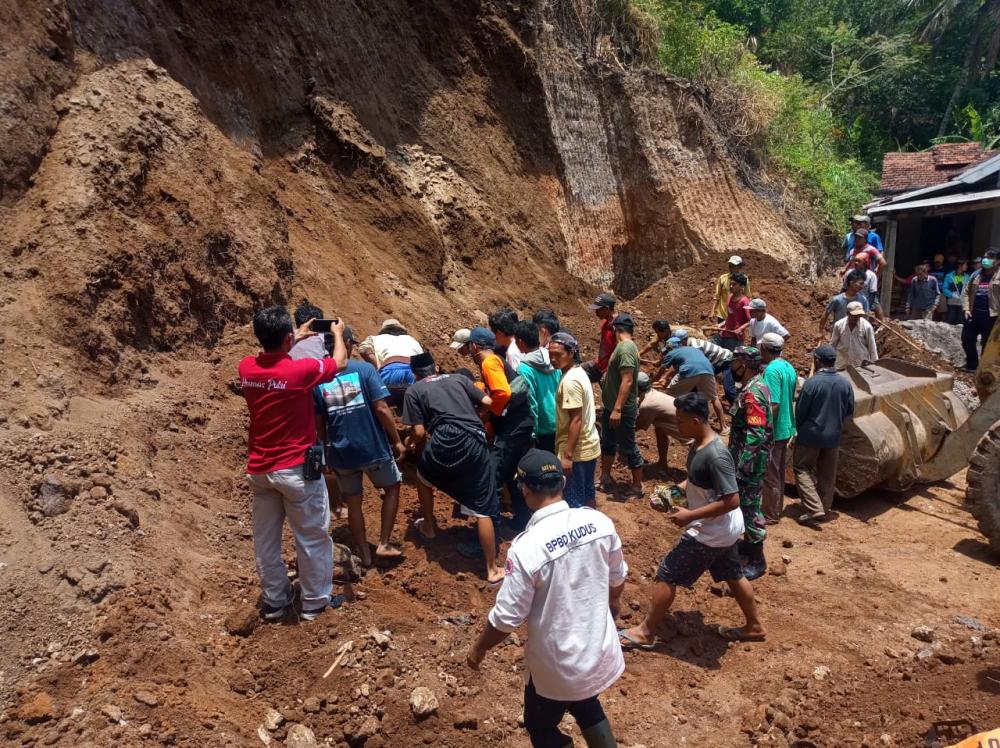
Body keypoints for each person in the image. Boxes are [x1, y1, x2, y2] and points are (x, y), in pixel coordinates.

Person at [467, 450, 626, 748]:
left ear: (524, 488)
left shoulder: (526, 548)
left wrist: (478, 650)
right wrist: (612, 605)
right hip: (597, 652)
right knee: (585, 701)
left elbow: (507, 618)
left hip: (559, 665)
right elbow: (617, 578)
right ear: (563, 481)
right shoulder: (599, 522)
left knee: (540, 727)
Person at [618, 392, 765, 649]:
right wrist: (674, 491)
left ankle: (646, 632)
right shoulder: (698, 445)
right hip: (724, 530)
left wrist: (690, 516)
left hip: (712, 531)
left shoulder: (716, 455)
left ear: (696, 421)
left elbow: (732, 500)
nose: (678, 425)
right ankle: (754, 626)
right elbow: (697, 480)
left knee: (667, 573)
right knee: (732, 573)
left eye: (681, 421)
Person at [238, 307, 349, 622]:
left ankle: (275, 600)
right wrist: (337, 334)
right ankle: (314, 602)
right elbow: (339, 362)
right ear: (287, 339)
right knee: (312, 535)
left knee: (266, 541)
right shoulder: (298, 372)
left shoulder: (246, 369)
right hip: (297, 468)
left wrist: (292, 337)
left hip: (260, 470)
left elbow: (262, 356)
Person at [402, 352, 505, 583]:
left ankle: (428, 527)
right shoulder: (457, 378)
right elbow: (489, 402)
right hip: (474, 438)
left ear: (415, 374)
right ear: (436, 367)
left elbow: (418, 432)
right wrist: (477, 416)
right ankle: (491, 569)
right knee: (483, 506)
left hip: (443, 440)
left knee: (422, 476)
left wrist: (409, 443)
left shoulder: (414, 390)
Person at [314, 326, 406, 568]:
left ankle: (364, 553)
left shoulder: (318, 379)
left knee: (353, 502)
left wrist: (325, 453)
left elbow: (319, 425)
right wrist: (396, 440)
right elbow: (382, 408)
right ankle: (384, 543)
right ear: (348, 345)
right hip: (372, 447)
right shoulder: (364, 370)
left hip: (342, 454)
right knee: (393, 486)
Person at [468, 326, 535, 533]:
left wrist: (488, 413)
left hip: (511, 428)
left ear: (473, 346)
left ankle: (491, 533)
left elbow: (503, 393)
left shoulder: (489, 362)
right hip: (522, 424)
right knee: (513, 475)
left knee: (492, 477)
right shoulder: (498, 359)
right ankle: (522, 521)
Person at [793, 346, 855, 525]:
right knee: (828, 474)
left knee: (801, 468)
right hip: (834, 436)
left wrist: (797, 429)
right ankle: (823, 508)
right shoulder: (845, 383)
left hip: (811, 435)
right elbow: (849, 412)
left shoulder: (812, 383)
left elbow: (801, 411)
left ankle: (814, 508)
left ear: (817, 360)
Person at [727, 346, 773, 580]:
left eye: (735, 363)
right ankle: (749, 544)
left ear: (743, 365)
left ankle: (757, 558)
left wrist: (744, 465)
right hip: (748, 458)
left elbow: (755, 434)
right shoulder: (755, 386)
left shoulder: (753, 393)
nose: (732, 368)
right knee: (746, 503)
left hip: (751, 462)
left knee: (749, 505)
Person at [548, 332, 602, 509]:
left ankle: (580, 534)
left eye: (558, 354)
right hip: (589, 445)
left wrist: (567, 456)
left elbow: (576, 419)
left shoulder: (570, 381)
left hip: (577, 451)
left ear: (571, 353)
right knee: (588, 492)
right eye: (550, 354)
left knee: (573, 501)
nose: (553, 359)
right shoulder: (578, 372)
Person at [599, 313, 644, 499]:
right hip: (612, 407)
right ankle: (606, 476)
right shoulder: (625, 347)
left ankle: (637, 486)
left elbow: (627, 380)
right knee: (608, 442)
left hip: (622, 410)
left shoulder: (625, 348)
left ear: (616, 330)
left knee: (628, 445)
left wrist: (617, 409)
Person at [759, 334, 796, 525]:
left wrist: (764, 427)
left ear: (764, 349)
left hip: (775, 428)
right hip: (787, 426)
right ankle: (776, 508)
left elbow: (773, 403)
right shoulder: (788, 367)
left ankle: (770, 514)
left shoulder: (772, 370)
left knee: (770, 473)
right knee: (779, 471)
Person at [653, 337, 726, 433]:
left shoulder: (671, 353)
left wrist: (651, 382)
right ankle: (724, 427)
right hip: (708, 370)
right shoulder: (692, 349)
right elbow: (681, 366)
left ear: (670, 348)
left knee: (669, 396)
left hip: (690, 371)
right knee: (714, 398)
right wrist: (665, 378)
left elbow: (660, 371)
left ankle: (666, 421)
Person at [515, 320, 561, 453]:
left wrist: (532, 434)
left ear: (521, 342)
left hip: (542, 427)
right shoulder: (553, 358)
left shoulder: (524, 368)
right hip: (559, 422)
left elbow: (531, 403)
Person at [356, 319, 424, 405]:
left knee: (384, 404)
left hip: (389, 372)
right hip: (412, 372)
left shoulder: (374, 338)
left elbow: (363, 350)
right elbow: (423, 362)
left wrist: (377, 366)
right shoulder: (411, 339)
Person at [636, 372, 690, 471]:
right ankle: (662, 464)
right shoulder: (653, 393)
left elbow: (638, 426)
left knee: (696, 470)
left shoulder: (647, 404)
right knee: (660, 429)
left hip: (692, 435)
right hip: (687, 422)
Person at [962, 256, 999, 370]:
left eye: (990, 257)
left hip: (991, 316)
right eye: (986, 256)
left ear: (997, 261)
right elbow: (965, 291)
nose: (986, 259)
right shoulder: (976, 274)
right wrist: (966, 309)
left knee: (987, 343)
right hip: (973, 313)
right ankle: (972, 364)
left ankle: (983, 368)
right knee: (967, 339)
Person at [830, 301, 878, 370]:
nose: (857, 318)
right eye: (854, 316)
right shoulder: (839, 325)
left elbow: (872, 347)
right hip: (842, 363)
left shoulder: (867, 326)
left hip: (860, 364)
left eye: (859, 316)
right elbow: (833, 344)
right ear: (847, 313)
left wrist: (874, 365)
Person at [710, 272, 751, 350]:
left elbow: (751, 320)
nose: (731, 286)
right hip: (724, 333)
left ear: (742, 286)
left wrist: (740, 329)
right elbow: (730, 317)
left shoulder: (744, 302)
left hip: (735, 338)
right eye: (730, 284)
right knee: (710, 348)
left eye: (734, 284)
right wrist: (720, 324)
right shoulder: (729, 297)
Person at [585, 292, 617, 382]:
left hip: (611, 368)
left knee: (607, 390)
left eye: (598, 309)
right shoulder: (605, 324)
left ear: (606, 309)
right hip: (600, 365)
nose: (596, 312)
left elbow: (619, 349)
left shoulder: (618, 325)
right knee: (577, 372)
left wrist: (609, 370)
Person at [710, 255, 752, 321]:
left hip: (736, 315)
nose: (731, 268)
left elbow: (747, 296)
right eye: (730, 265)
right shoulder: (722, 278)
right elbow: (717, 296)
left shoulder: (744, 279)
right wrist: (712, 311)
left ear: (740, 266)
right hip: (722, 314)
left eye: (734, 266)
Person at [844, 253, 884, 321]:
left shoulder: (871, 275)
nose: (856, 263)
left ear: (865, 263)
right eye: (855, 260)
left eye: (859, 261)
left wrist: (867, 307)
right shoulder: (849, 273)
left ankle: (882, 324)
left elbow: (872, 293)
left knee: (876, 306)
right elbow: (845, 288)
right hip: (853, 296)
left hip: (868, 296)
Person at [943, 260, 969, 325]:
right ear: (960, 266)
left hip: (963, 302)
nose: (967, 266)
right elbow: (944, 288)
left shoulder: (968, 276)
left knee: (961, 321)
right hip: (952, 302)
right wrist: (952, 295)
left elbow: (969, 289)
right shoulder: (949, 276)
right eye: (965, 265)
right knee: (950, 320)